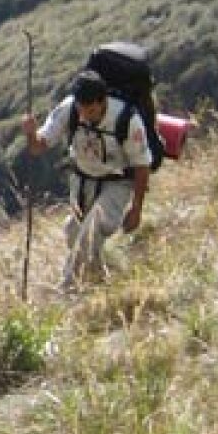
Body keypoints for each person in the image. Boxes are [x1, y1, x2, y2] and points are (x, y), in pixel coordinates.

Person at [22, 69, 153, 290]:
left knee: (90, 233)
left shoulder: (126, 119)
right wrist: (30, 133)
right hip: (82, 181)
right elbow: (38, 147)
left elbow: (141, 164)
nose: (84, 116)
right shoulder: (69, 108)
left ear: (103, 102)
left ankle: (67, 291)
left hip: (117, 183)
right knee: (74, 233)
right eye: (81, 110)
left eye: (90, 110)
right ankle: (101, 280)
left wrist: (136, 207)